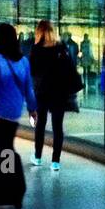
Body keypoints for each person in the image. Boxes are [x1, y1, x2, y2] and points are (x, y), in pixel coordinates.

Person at [0, 22, 37, 162]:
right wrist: (32, 109)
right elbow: (29, 88)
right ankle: (8, 175)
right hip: (14, 113)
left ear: (0, 38)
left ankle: (3, 179)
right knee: (7, 146)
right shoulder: (23, 61)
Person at [28, 19, 77, 171]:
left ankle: (37, 157)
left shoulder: (36, 49)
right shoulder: (61, 47)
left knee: (40, 125)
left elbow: (32, 71)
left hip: (41, 92)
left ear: (39, 32)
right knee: (57, 127)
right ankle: (55, 161)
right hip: (59, 93)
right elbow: (70, 68)